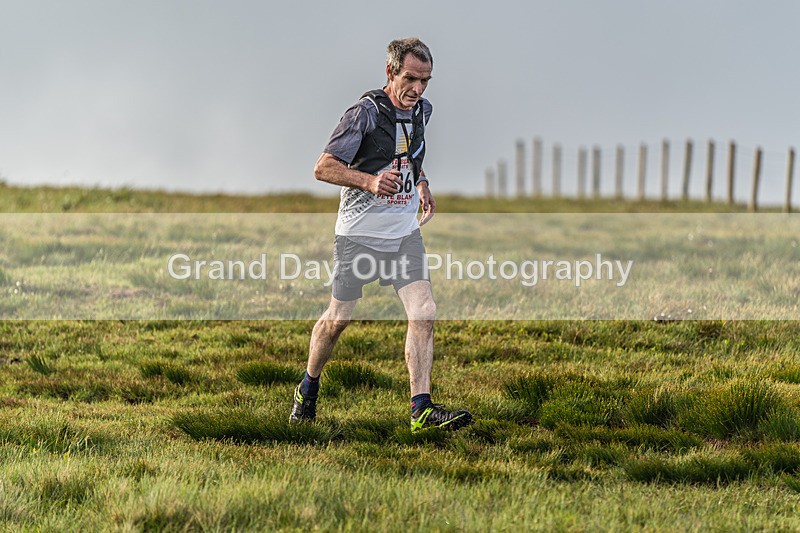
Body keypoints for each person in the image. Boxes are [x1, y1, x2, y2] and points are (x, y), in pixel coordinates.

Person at [290, 37, 472, 432]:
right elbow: (323, 168)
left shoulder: (423, 110)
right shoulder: (365, 113)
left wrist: (420, 182)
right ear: (390, 72)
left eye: (426, 80)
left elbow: (408, 155)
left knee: (424, 312)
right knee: (338, 320)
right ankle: (308, 388)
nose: (418, 89)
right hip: (358, 235)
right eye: (410, 78)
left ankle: (420, 411)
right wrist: (370, 183)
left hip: (403, 233)